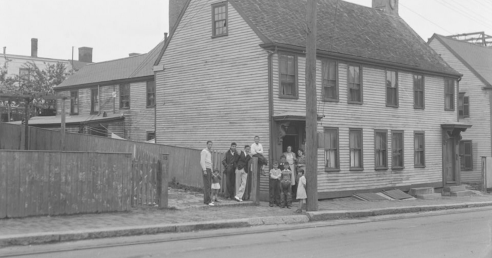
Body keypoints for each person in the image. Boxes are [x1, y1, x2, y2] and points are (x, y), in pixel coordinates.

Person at [200, 141, 214, 206]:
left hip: (209, 169)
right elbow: (202, 161)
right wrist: (204, 170)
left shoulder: (209, 152)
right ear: (206, 144)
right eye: (209, 144)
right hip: (206, 169)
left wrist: (211, 171)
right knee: (207, 186)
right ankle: (207, 201)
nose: (210, 145)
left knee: (209, 185)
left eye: (211, 144)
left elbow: (210, 162)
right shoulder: (204, 151)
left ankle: (209, 200)